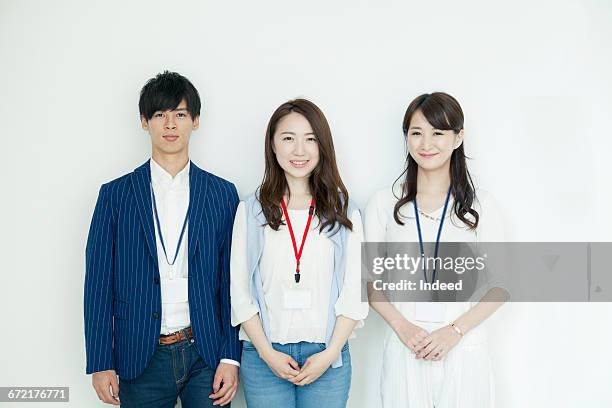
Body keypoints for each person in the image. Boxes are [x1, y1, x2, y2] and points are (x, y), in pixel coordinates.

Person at [84, 71, 240, 407]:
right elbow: (97, 283)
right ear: (144, 122)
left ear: (195, 121)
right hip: (140, 354)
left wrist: (231, 356)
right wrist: (100, 361)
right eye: (160, 115)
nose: (170, 125)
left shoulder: (223, 194)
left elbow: (233, 281)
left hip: (206, 353)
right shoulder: (115, 195)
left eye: (180, 115)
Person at [365, 92, 508, 407]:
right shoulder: (384, 203)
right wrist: (402, 327)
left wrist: (455, 330)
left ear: (458, 138)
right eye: (416, 133)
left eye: (437, 133)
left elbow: (502, 286)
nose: (425, 143)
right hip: (406, 344)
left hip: (464, 346)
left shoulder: (481, 206)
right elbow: (367, 282)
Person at [229, 99, 368, 408]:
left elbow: (355, 294)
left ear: (322, 147)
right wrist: (267, 354)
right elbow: (240, 293)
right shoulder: (251, 211)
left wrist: (330, 354)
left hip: (327, 357)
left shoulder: (344, 211)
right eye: (288, 139)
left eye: (310, 139)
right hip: (265, 358)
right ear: (273, 146)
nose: (299, 151)